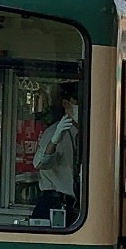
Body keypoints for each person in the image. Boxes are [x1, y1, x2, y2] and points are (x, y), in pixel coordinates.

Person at [32, 84, 79, 222]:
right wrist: (54, 141)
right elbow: (40, 163)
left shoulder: (88, 135)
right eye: (77, 102)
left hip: (76, 206)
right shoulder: (55, 132)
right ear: (66, 104)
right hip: (54, 204)